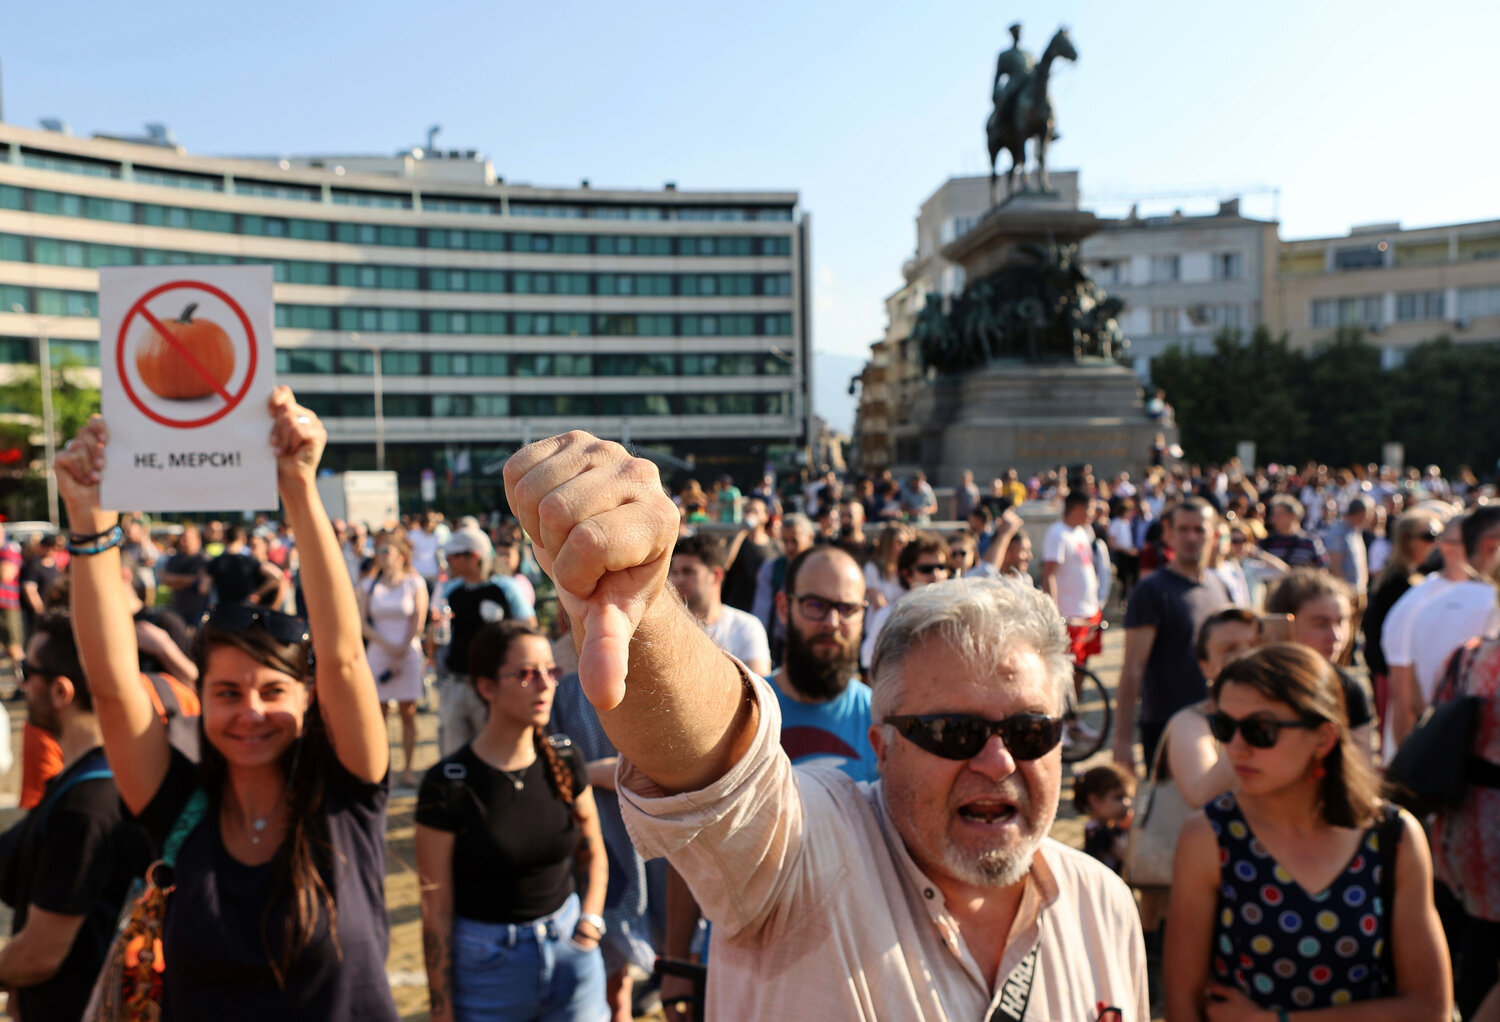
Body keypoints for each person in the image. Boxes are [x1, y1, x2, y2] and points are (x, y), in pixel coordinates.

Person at [501, 432, 1148, 1021]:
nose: (1000, 762)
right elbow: (724, 772)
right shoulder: (809, 863)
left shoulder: (1105, 905)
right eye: (955, 733)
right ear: (881, 744)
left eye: (1032, 733)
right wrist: (644, 610)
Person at [58, 390, 399, 1018]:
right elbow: (112, 685)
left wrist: (299, 487)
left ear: (309, 698)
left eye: (273, 692)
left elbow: (346, 656)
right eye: (227, 693)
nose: (249, 712)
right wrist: (87, 520)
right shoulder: (180, 807)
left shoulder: (347, 793)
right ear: (201, 698)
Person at [1165, 643, 1451, 1021]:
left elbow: (1430, 1008)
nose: (1235, 747)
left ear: (1324, 738)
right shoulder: (1209, 836)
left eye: (1259, 730)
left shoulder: (1392, 836)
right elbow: (1182, 1003)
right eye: (1224, 726)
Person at [416, 622, 608, 1022]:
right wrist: (442, 1009)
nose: (544, 684)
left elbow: (593, 852)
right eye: (525, 673)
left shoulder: (565, 758)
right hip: (487, 970)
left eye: (550, 671)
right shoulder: (448, 783)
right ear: (486, 687)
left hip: (572, 954)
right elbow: (435, 910)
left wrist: (589, 924)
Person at [0, 612, 152, 1021]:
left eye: (27, 670)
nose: (20, 681)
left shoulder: (87, 804)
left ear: (61, 691)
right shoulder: (95, 775)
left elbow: (39, 956)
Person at [550, 669, 659, 1022]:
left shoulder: (649, 684)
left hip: (652, 844)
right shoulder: (563, 693)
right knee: (609, 980)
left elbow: (654, 771)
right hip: (595, 844)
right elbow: (554, 771)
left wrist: (589, 772)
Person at [1114, 498, 1232, 771]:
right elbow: (1132, 668)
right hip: (1167, 725)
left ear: (1214, 535)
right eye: (1183, 529)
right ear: (1169, 534)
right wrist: (1121, 741)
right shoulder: (1151, 591)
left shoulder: (1218, 585)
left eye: (1199, 530)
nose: (1191, 537)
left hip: (1216, 722)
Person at [1425, 634, 1500, 1018]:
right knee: (1485, 951)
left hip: (1453, 818)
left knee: (1457, 935)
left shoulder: (1467, 654)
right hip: (1492, 834)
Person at [436, 530, 535, 757]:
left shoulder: (505, 588)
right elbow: (443, 636)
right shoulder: (452, 590)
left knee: (494, 751)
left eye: (453, 557)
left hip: (495, 686)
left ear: (473, 556)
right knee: (455, 754)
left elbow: (529, 627)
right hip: (456, 683)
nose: (448, 562)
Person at [1265, 570, 1377, 757]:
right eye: (1320, 624)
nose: (1336, 637)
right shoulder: (1257, 686)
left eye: (1341, 622)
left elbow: (1363, 770)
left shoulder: (1348, 689)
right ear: (1284, 623)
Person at [358, 530, 428, 789]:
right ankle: (381, 767)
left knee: (407, 713)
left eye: (387, 551)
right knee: (379, 713)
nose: (381, 556)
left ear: (400, 556)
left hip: (407, 652)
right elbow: (362, 623)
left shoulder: (415, 582)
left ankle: (408, 769)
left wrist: (401, 648)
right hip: (378, 652)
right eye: (379, 551)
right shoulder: (368, 584)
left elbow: (418, 619)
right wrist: (388, 646)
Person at [1362, 509, 1443, 732]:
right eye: (1429, 536)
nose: (1436, 543)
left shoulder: (1410, 578)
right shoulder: (1397, 584)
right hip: (1395, 678)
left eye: (1439, 536)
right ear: (1408, 541)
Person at [667, 533, 771, 677]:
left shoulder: (747, 627)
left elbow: (759, 691)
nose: (678, 580)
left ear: (716, 575)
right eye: (674, 572)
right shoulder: (667, 628)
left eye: (688, 571)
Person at [859, 531, 951, 672]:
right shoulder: (887, 617)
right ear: (907, 574)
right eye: (926, 569)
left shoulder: (958, 615)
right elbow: (870, 666)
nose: (936, 575)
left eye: (941, 568)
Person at [1042, 492, 1102, 669]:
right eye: (1090, 509)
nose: (1093, 513)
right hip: (1070, 616)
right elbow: (1048, 574)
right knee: (1069, 668)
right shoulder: (1057, 533)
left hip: (1088, 612)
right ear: (1077, 509)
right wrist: (1054, 612)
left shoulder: (1082, 531)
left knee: (1082, 666)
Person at [751, 512, 815, 663]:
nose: (789, 547)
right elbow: (761, 610)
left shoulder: (820, 569)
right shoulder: (771, 568)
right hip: (780, 642)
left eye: (794, 541)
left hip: (811, 641)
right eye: (785, 541)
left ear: (810, 538)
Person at [1074, 763, 1134, 875]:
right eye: (1119, 798)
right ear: (1095, 801)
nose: (1127, 803)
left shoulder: (1108, 826)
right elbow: (1129, 859)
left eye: (1128, 797)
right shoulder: (1099, 833)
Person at [205, 523, 284, 607]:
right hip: (245, 610)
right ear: (242, 539)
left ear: (224, 539)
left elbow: (203, 588)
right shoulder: (250, 560)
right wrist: (257, 594)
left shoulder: (216, 562)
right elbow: (277, 576)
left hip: (224, 610)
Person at [719, 497, 774, 614]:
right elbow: (725, 565)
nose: (750, 515)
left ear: (765, 516)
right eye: (747, 511)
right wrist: (741, 532)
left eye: (755, 511)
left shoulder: (775, 546)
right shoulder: (736, 540)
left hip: (761, 607)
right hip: (735, 606)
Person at [160, 523, 211, 625]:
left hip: (199, 612)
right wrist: (193, 579)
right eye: (181, 538)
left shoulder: (205, 559)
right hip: (178, 610)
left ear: (198, 540)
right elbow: (167, 580)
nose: (182, 542)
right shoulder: (175, 558)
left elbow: (203, 588)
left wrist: (177, 581)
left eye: (186, 538)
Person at [1260, 495, 1329, 569]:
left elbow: (1322, 569)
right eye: (1273, 515)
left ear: (1293, 516)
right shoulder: (1266, 543)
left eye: (1279, 515)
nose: (1273, 518)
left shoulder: (1311, 542)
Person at [863, 522, 910, 610]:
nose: (904, 547)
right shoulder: (872, 568)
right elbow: (879, 605)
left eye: (907, 543)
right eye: (900, 542)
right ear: (887, 544)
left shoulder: (907, 570)